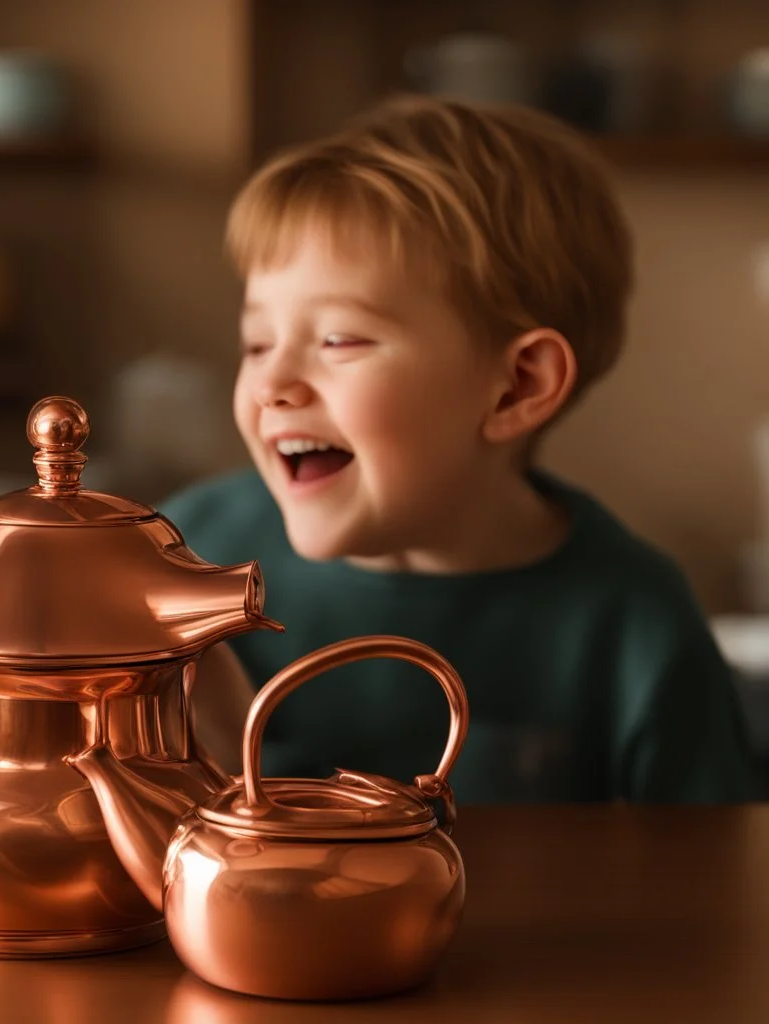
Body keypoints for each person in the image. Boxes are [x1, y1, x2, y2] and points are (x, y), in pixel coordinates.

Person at [160, 95, 756, 802]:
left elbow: (715, 887)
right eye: (257, 343)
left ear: (516, 388)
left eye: (338, 340)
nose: (271, 384)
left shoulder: (634, 624)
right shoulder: (180, 559)